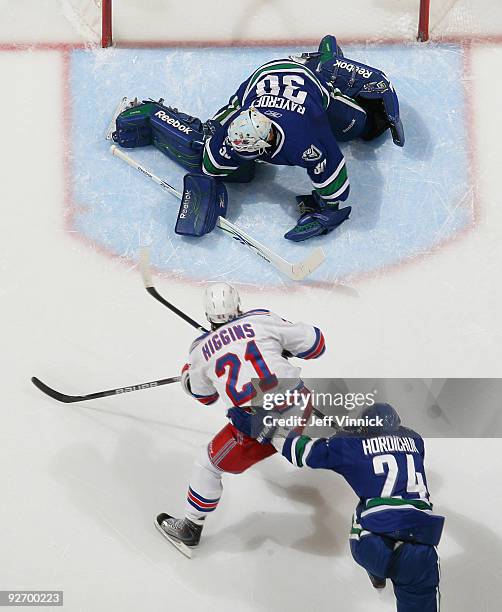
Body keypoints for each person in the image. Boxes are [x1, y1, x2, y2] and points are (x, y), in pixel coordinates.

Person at [112, 36, 403, 242]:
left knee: (361, 126)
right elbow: (210, 164)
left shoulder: (305, 140)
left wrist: (328, 209)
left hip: (308, 84)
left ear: (265, 144)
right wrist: (210, 179)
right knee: (206, 148)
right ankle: (153, 113)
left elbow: (332, 168)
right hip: (257, 83)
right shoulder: (232, 133)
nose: (236, 154)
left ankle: (326, 59)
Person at [155, 282, 326, 556]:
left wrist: (188, 377)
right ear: (237, 304)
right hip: (299, 403)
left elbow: (205, 396)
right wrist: (283, 348)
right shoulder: (261, 319)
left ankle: (190, 528)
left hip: (261, 427)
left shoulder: (200, 351)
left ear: (209, 315)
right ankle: (304, 447)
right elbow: (317, 344)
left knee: (207, 464)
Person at [276, 403, 444, 611]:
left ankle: (377, 574)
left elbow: (302, 452)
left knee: (366, 508)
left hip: (373, 545)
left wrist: (268, 430)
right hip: (421, 550)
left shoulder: (349, 446)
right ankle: (382, 571)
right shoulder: (415, 441)